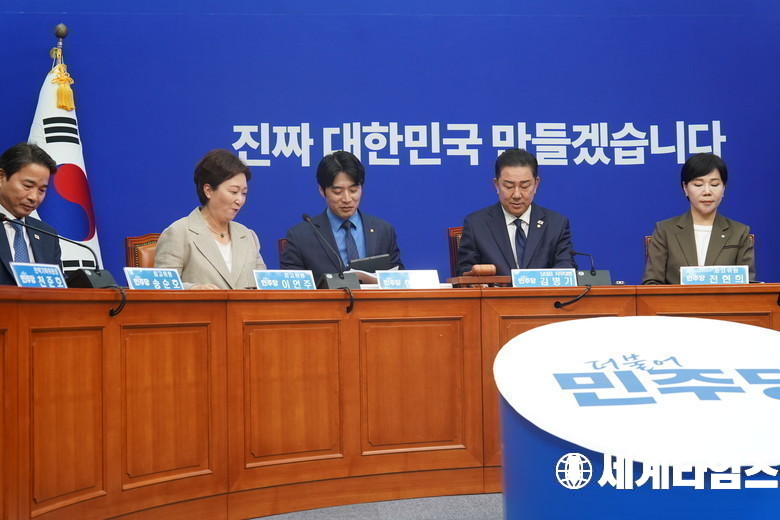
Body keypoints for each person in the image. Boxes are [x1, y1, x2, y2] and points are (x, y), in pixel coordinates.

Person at [280, 151, 403, 279]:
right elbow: (293, 287)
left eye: (353, 190)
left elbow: (398, 280)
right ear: (322, 190)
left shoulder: (383, 231)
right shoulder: (300, 237)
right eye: (338, 192)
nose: (347, 199)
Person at [155, 149, 266, 289]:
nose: (240, 200)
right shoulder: (178, 233)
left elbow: (265, 286)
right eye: (233, 192)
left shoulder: (248, 236)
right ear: (208, 190)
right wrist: (192, 289)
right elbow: (162, 287)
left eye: (244, 193)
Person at [456, 148, 576, 276]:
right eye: (509, 186)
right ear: (496, 185)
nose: (517, 195)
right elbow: (465, 271)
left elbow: (566, 269)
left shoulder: (556, 224)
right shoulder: (476, 224)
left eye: (524, 186)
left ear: (536, 184)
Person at [642, 153, 755, 285]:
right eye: (698, 184)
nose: (707, 191)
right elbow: (651, 284)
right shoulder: (665, 231)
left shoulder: (739, 232)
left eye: (714, 184)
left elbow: (748, 286)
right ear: (685, 188)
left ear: (724, 188)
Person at [0, 143, 61, 285]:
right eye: (27, 186)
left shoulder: (47, 235)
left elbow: (56, 289)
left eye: (42, 190)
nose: (34, 197)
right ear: (2, 177)